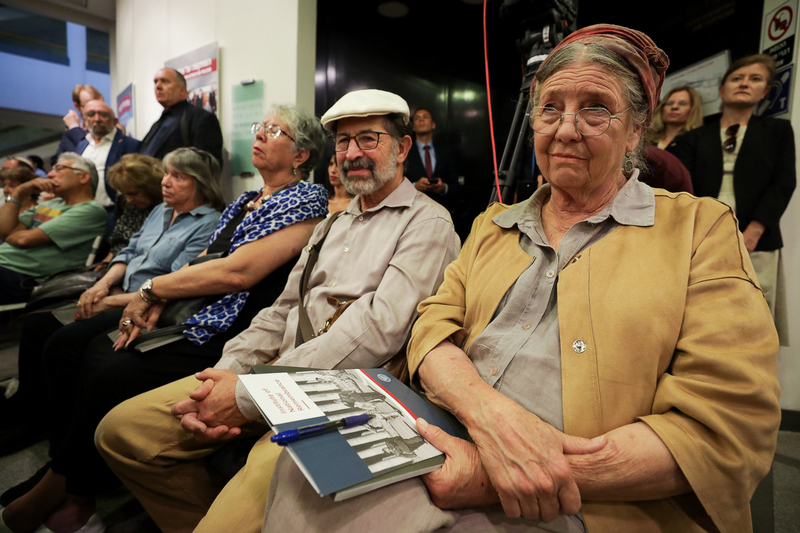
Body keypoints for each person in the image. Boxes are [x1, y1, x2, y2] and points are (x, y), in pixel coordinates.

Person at [260, 25, 780, 533]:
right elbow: (430, 326)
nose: (566, 128)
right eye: (550, 108)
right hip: (442, 433)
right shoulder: (494, 224)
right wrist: (489, 415)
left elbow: (727, 427)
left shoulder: (699, 228)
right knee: (307, 473)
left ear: (637, 129)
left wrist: (499, 473)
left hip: (582, 500)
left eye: (596, 107)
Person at [95, 89, 460, 533]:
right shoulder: (332, 222)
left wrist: (249, 395)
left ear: (402, 148)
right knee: (120, 432)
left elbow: (377, 332)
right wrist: (227, 375)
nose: (352, 153)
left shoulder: (428, 222)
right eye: (343, 142)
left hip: (342, 396)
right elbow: (279, 311)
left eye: (369, 139)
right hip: (268, 376)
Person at [0, 107, 329, 533]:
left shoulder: (306, 200)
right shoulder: (247, 200)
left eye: (273, 130)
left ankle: (71, 490)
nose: (260, 135)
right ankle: (61, 472)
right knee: (70, 345)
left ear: (301, 154)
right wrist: (157, 295)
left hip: (236, 322)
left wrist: (151, 291)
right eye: (259, 127)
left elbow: (238, 271)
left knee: (106, 361)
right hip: (202, 307)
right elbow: (203, 260)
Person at [0, 149, 210, 457]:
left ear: (201, 184)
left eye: (177, 176)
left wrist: (112, 299)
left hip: (142, 302)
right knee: (36, 324)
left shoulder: (207, 222)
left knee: (65, 344)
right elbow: (127, 251)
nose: (166, 182)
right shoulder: (160, 211)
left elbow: (172, 280)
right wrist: (101, 286)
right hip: (118, 291)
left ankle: (57, 438)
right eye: (165, 173)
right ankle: (33, 416)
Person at [669, 54, 795, 343]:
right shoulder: (694, 138)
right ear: (721, 90)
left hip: (758, 239)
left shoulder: (777, 131)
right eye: (737, 78)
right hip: (701, 237)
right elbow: (682, 188)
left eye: (755, 79)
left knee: (754, 318)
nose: (744, 83)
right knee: (700, 315)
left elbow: (783, 182)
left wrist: (754, 231)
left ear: (765, 92)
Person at [0, 153, 107, 304]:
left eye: (59, 168)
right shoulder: (50, 203)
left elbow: (23, 239)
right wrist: (19, 192)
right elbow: (3, 230)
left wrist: (12, 235)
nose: (49, 174)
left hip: (25, 279)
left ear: (83, 177)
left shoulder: (90, 210)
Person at [138, 68, 223, 164]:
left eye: (165, 81)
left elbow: (207, 166)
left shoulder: (201, 118)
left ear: (182, 91)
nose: (158, 86)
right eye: (155, 82)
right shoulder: (157, 124)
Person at [74, 99, 141, 213]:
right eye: (91, 114)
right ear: (85, 120)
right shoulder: (81, 145)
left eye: (103, 114)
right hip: (81, 211)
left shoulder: (130, 144)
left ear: (115, 121)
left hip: (113, 212)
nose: (97, 119)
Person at [100, 153, 166, 265]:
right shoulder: (126, 203)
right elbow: (118, 242)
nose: (129, 200)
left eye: (133, 194)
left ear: (152, 187)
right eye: (125, 194)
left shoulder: (171, 209)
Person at [406, 108, 460, 208]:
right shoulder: (405, 151)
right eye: (417, 118)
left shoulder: (446, 151)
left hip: (442, 207)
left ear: (433, 125)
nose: (421, 120)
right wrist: (414, 186)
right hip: (413, 207)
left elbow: (456, 185)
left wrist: (443, 188)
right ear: (413, 127)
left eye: (425, 117)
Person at [51, 84, 105, 164]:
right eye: (88, 105)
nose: (95, 109)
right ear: (77, 106)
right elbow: (56, 161)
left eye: (99, 104)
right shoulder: (70, 133)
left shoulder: (108, 127)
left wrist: (74, 128)